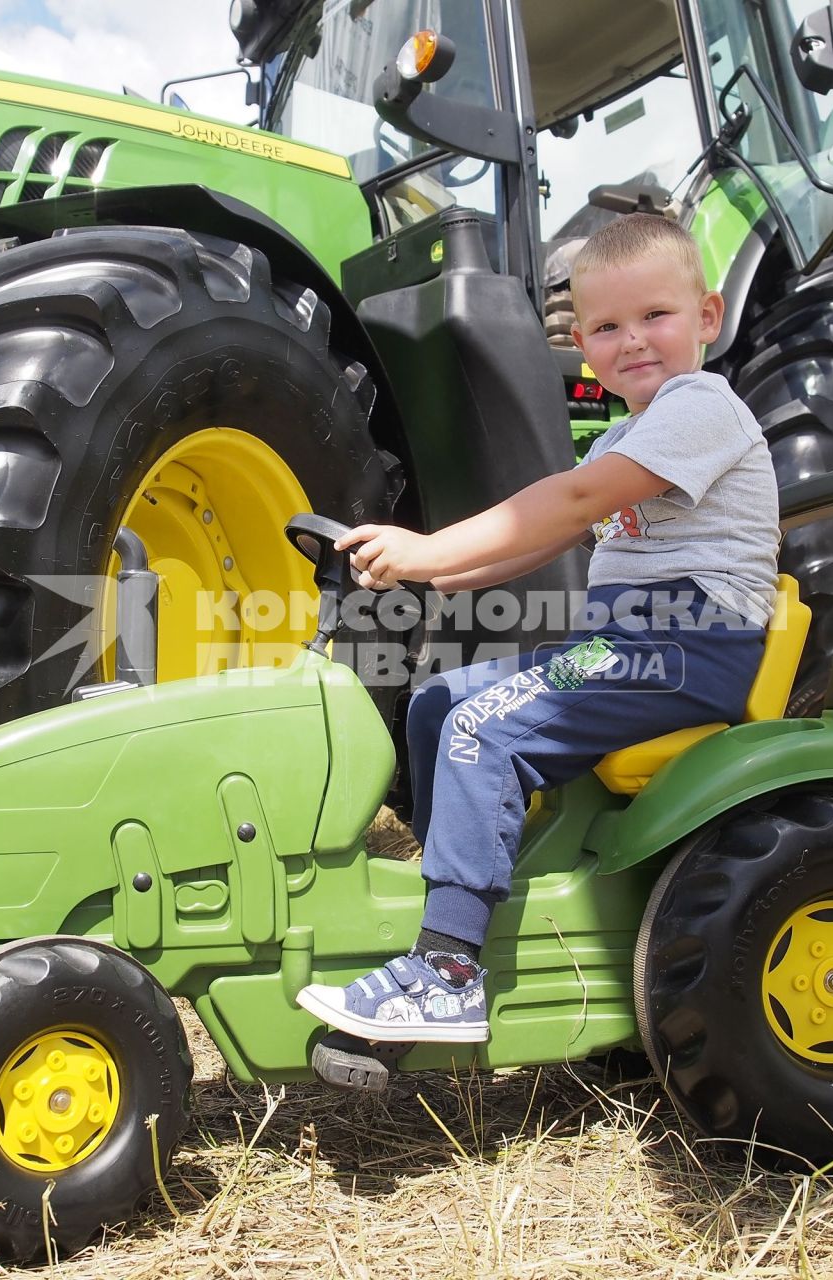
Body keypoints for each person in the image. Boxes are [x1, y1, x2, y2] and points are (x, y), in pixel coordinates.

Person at [296, 214, 780, 1043]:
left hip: (690, 642)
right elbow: (548, 537)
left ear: (707, 316)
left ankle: (447, 972)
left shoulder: (703, 406)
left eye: (654, 316)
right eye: (606, 327)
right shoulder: (629, 434)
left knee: (482, 730)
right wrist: (423, 569)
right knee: (439, 702)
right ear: (582, 344)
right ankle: (455, 891)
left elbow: (571, 505)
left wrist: (428, 544)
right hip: (627, 641)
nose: (632, 341)